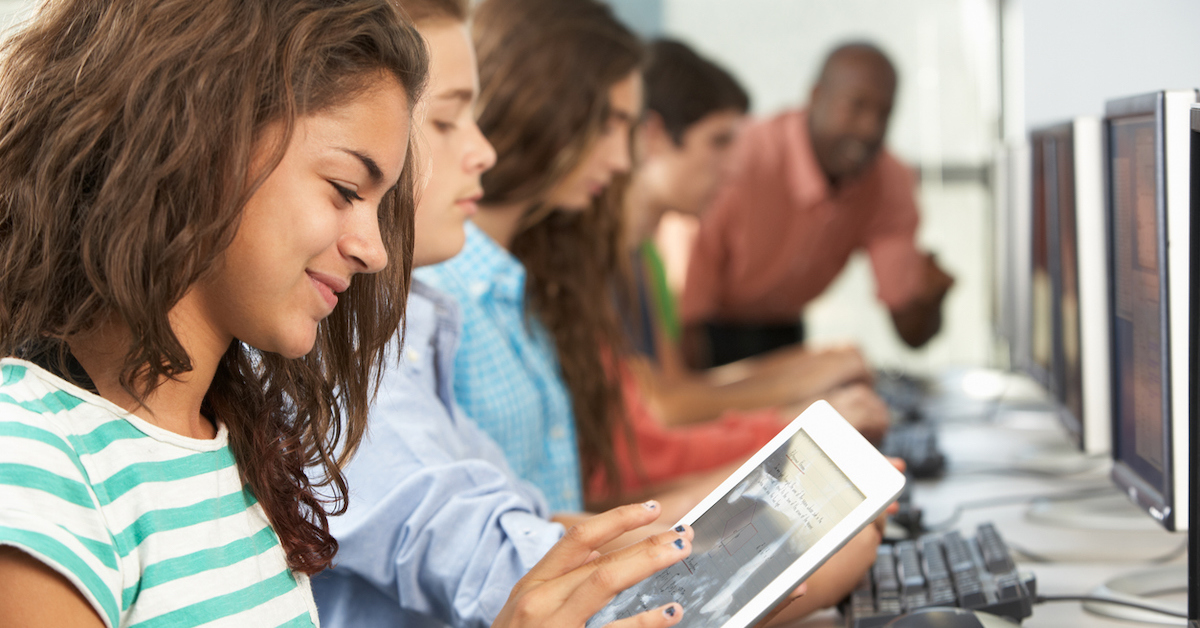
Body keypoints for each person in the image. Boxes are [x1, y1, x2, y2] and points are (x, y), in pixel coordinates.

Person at [309, 2, 778, 625]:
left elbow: (533, 516)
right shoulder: (360, 340)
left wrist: (719, 533)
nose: (484, 151)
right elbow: (505, 562)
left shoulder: (434, 314)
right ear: (544, 103)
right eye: (448, 121)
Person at [419, 0, 884, 620]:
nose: (620, 160)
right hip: (550, 597)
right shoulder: (435, 300)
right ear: (545, 104)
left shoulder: (528, 284)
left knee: (839, 542)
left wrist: (755, 506)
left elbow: (558, 510)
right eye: (610, 125)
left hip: (569, 580)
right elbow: (635, 444)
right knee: (845, 553)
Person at [0, 0, 427, 624]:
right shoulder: (35, 457)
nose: (375, 252)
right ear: (200, 140)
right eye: (344, 190)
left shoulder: (233, 445)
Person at [624, 39, 889, 440]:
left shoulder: (645, 255)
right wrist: (795, 403)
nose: (732, 168)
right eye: (718, 142)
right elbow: (663, 408)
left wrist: (805, 367)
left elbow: (679, 387)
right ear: (654, 136)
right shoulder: (607, 258)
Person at [680, 42, 955, 368]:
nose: (870, 129)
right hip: (700, 331)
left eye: (884, 113)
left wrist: (929, 299)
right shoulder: (740, 159)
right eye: (856, 106)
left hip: (786, 332)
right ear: (814, 97)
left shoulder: (889, 180)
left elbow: (911, 333)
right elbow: (684, 319)